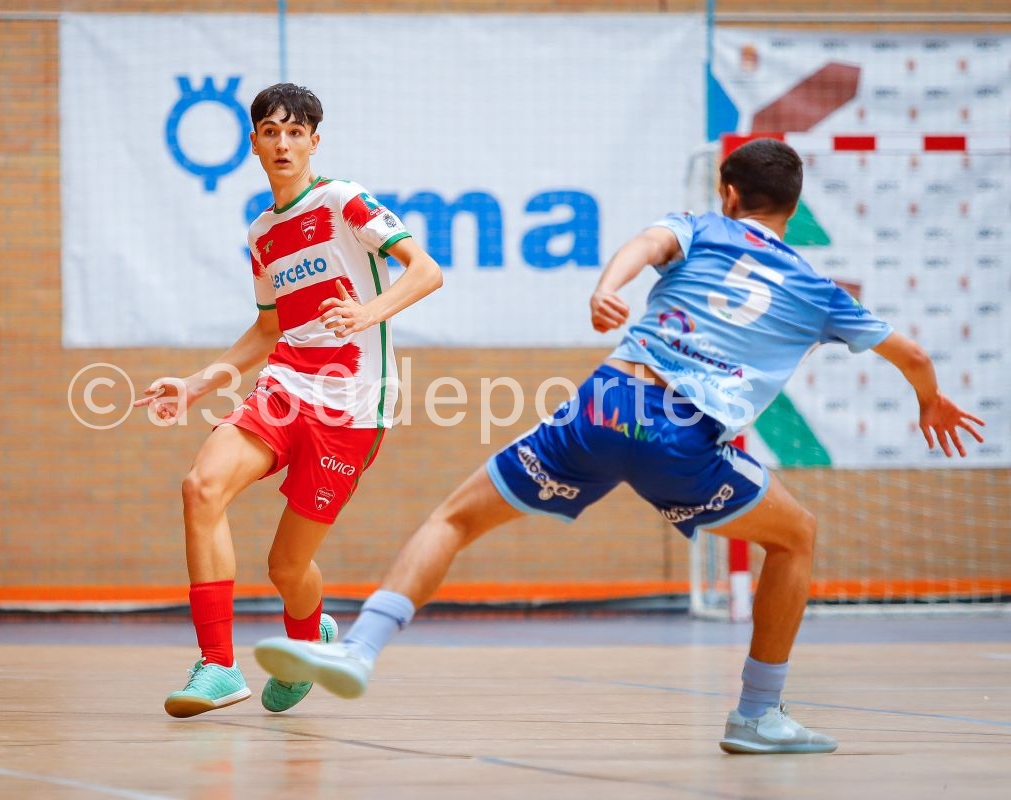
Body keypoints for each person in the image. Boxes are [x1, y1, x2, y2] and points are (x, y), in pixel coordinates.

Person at [253, 137, 985, 752]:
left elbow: (643, 246)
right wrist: (930, 399)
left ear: (727, 190)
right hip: (681, 438)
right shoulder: (819, 289)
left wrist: (608, 288)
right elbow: (914, 357)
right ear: (792, 209)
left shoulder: (702, 226)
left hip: (603, 405)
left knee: (455, 517)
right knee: (795, 537)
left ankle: (360, 647)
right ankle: (758, 713)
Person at [136, 83, 443, 717]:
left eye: (295, 132)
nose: (283, 143)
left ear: (313, 141)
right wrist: (197, 383)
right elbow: (269, 329)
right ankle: (218, 667)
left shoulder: (342, 202)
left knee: (286, 567)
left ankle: (310, 638)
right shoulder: (262, 233)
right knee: (201, 487)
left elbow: (425, 270)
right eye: (270, 132)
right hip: (283, 386)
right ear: (253, 143)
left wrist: (367, 312)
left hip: (353, 405)